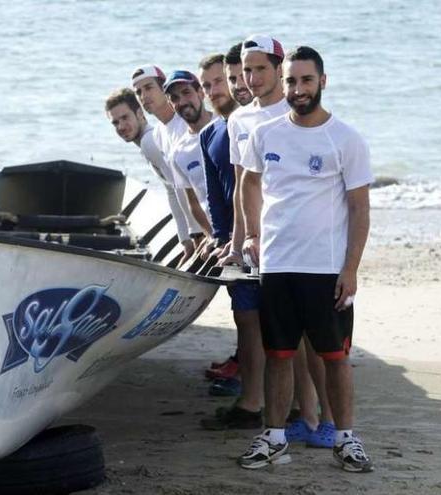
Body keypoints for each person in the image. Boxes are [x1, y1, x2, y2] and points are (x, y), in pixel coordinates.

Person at [237, 46, 374, 472]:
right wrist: (252, 236)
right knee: (278, 354)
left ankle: (346, 439)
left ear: (323, 81)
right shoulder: (267, 133)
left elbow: (359, 209)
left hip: (325, 269)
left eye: (306, 80)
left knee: (334, 357)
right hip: (277, 266)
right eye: (293, 81)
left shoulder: (346, 139)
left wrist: (350, 269)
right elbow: (248, 183)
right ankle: (274, 436)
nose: (298, 89)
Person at [196, 52, 264, 430]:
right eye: (208, 85)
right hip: (239, 246)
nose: (220, 89)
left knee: (286, 329)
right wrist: (222, 240)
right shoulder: (211, 135)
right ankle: (251, 402)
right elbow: (217, 200)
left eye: (222, 80)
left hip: (274, 242)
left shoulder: (265, 122)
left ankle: (296, 408)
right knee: (246, 321)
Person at [130, 65, 198, 261]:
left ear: (163, 89)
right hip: (196, 229)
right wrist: (185, 237)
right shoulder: (157, 134)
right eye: (139, 92)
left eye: (149, 88)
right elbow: (173, 189)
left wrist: (201, 232)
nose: (144, 96)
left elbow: (197, 185)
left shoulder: (187, 121)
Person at [163, 70, 218, 241]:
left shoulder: (226, 126)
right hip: (219, 234)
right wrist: (211, 236)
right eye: (174, 98)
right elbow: (193, 203)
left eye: (186, 93)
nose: (182, 102)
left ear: (201, 93)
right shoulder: (178, 153)